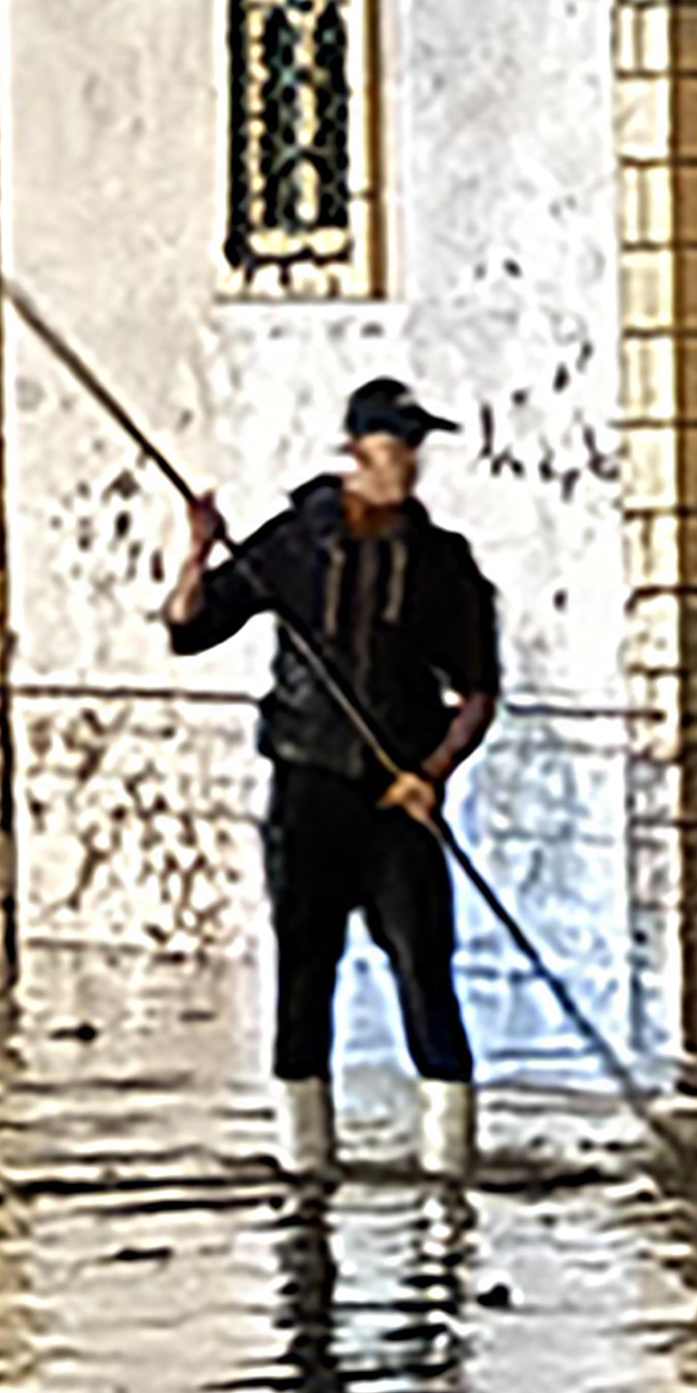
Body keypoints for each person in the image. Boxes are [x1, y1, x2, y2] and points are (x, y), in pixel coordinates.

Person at [167, 376, 505, 1179]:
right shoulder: (292, 545)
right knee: (304, 972)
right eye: (395, 449)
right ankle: (303, 1170)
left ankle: (449, 1171)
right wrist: (198, 547)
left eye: (415, 450)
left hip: (398, 801)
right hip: (308, 790)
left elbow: (478, 691)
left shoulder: (441, 563)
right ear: (358, 452)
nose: (409, 468)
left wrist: (433, 773)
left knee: (426, 970)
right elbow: (189, 629)